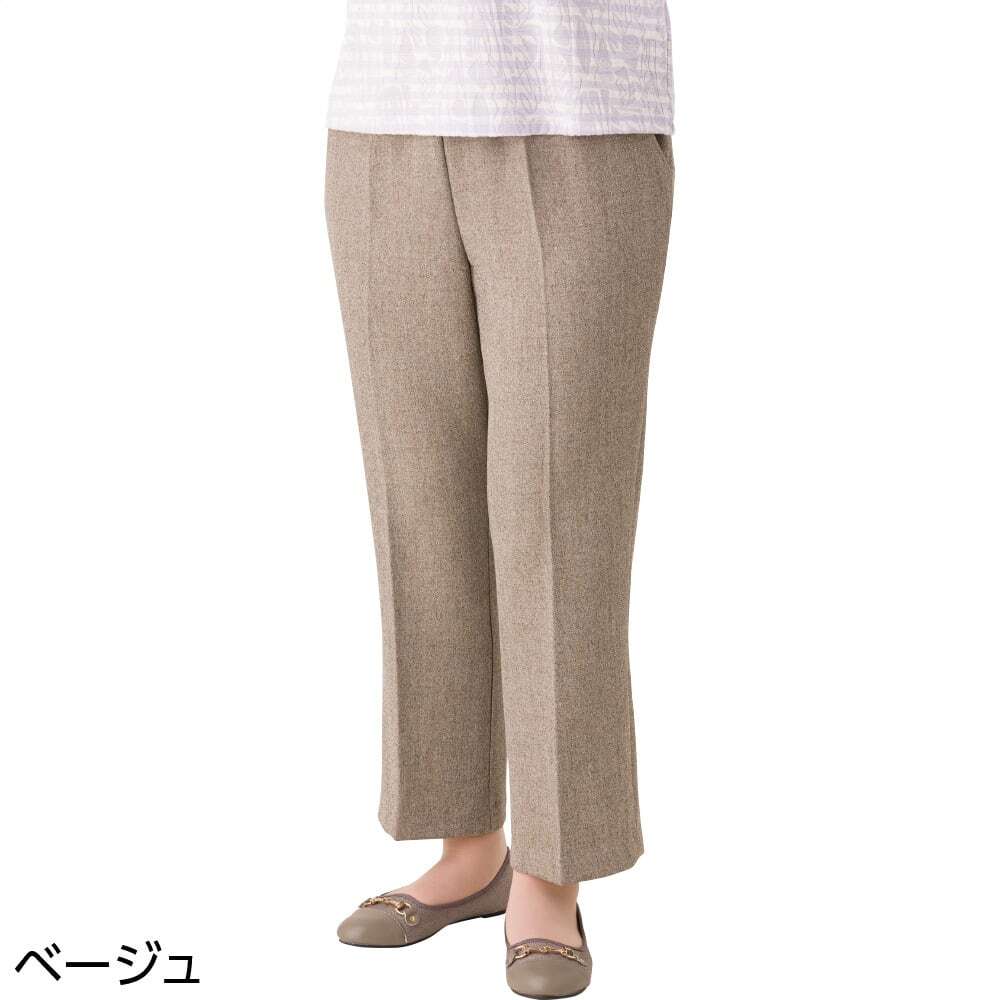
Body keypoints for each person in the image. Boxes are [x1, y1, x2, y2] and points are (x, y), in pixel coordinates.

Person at [324, 2, 675, 995]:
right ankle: (468, 847)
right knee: (420, 508)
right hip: (384, 119)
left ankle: (552, 873)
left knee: (562, 518)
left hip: (578, 121)